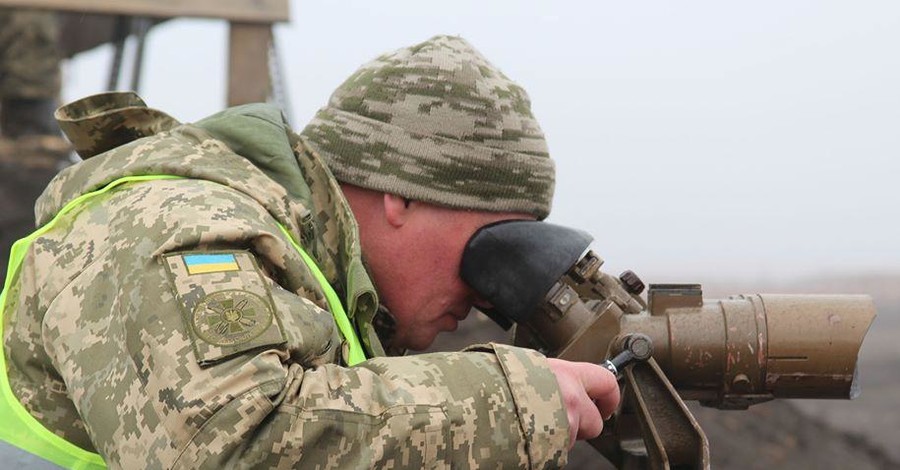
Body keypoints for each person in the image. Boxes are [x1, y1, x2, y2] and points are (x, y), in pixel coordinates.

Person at [0, 35, 619, 468]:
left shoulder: (312, 282)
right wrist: (509, 403)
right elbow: (230, 448)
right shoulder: (176, 226)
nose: (489, 290)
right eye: (494, 245)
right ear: (402, 197)